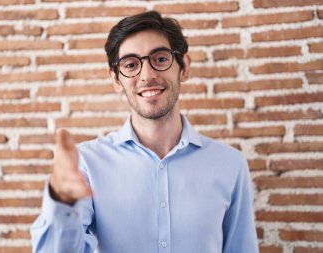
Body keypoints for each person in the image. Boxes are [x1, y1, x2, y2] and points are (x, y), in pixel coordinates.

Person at [30, 11, 259, 253]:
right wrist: (62, 204)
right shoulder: (87, 163)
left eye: (160, 59)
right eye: (131, 64)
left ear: (184, 68)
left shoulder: (230, 164)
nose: (147, 75)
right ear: (116, 80)